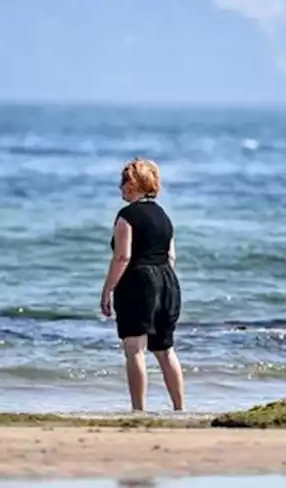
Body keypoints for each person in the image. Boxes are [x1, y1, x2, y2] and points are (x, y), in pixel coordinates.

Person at [100, 157, 185, 412]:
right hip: (168, 282)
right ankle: (180, 409)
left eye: (124, 181)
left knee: (135, 349)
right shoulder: (164, 216)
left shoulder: (127, 216)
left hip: (139, 282)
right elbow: (171, 256)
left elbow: (122, 256)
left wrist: (107, 291)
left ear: (135, 184)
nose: (120, 187)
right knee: (165, 350)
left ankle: (139, 410)